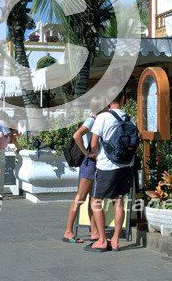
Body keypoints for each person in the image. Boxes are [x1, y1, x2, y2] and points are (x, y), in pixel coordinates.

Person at [85, 88, 135, 253]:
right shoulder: (130, 118)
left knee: (95, 201)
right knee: (118, 200)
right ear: (123, 100)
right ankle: (115, 240)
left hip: (106, 166)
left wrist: (94, 154)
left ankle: (101, 239)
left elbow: (93, 144)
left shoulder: (102, 117)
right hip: (125, 165)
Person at [62, 95, 107, 244]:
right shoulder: (92, 120)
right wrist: (87, 152)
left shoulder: (97, 120)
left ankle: (94, 231)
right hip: (89, 163)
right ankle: (68, 231)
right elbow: (77, 135)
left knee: (93, 198)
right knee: (80, 197)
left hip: (94, 163)